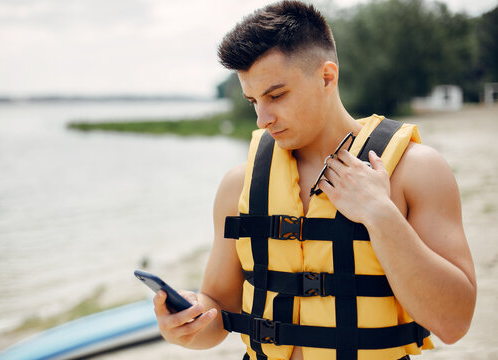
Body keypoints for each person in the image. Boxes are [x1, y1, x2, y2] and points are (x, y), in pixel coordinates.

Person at [153, 1, 476, 359]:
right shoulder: (238, 185)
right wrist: (186, 326)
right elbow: (216, 314)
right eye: (252, 101)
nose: (262, 118)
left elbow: (454, 322)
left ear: (327, 76)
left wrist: (380, 215)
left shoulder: (417, 171)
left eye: (276, 95)